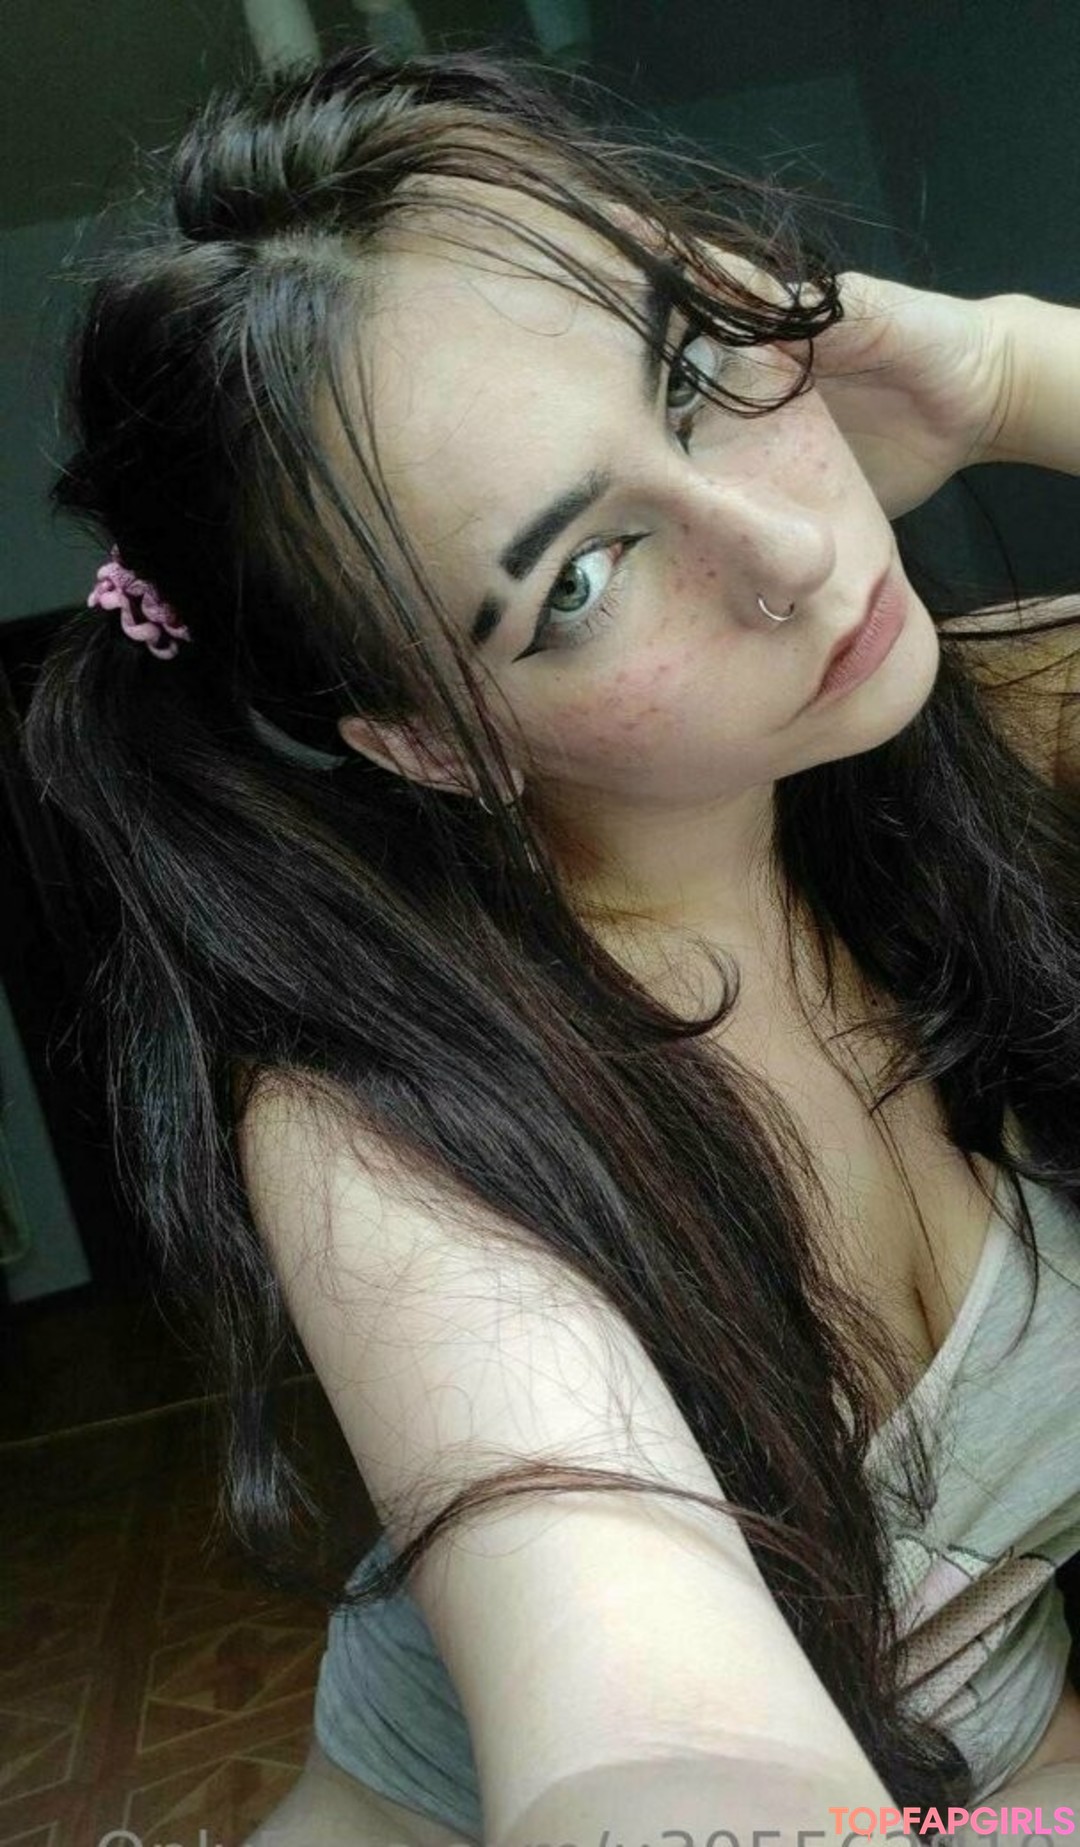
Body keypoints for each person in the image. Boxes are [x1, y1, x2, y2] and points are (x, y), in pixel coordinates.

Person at [22, 41, 1080, 1847]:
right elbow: (643, 1748)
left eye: (699, 367)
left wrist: (998, 369)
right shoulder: (391, 1125)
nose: (787, 550)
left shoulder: (1007, 732)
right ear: (431, 741)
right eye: (578, 578)